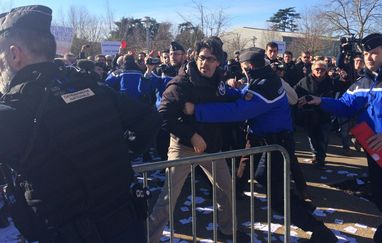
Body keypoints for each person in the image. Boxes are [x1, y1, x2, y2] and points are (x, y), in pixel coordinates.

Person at [0, 5, 161, 243]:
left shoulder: (16, 109)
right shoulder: (91, 86)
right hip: (127, 224)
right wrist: (117, 154)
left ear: (14, 54)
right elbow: (149, 120)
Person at [184, 47, 337, 242]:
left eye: (243, 67)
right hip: (269, 142)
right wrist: (233, 89)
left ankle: (321, 232)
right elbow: (246, 94)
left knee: (278, 200)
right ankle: (299, 205)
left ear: (248, 66)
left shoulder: (266, 86)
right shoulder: (265, 78)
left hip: (276, 143)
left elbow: (238, 111)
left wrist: (197, 110)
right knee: (264, 178)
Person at [300, 33, 382, 243]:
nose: (369, 57)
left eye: (374, 53)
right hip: (374, 149)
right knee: (380, 195)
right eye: (366, 53)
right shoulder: (363, 82)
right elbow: (345, 105)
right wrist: (319, 100)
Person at [147, 38, 245, 242]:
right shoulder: (182, 82)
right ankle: (149, 237)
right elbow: (163, 114)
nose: (205, 63)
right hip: (183, 147)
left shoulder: (218, 80)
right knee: (168, 198)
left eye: (210, 59)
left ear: (218, 61)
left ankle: (228, 231)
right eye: (202, 58)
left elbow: (226, 96)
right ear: (195, 58)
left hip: (211, 148)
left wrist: (243, 93)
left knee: (226, 191)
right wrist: (191, 135)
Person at [295, 60, 336, 168]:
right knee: (312, 137)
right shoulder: (304, 81)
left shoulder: (331, 81)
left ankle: (321, 158)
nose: (320, 71)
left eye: (322, 69)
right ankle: (316, 155)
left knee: (323, 137)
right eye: (317, 69)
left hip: (325, 115)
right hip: (309, 115)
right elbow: (295, 93)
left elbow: (338, 91)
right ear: (312, 70)